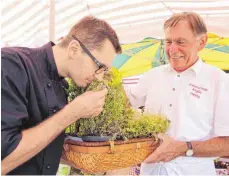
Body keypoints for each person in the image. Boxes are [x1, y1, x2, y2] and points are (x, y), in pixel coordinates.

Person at [1, 16, 121, 175]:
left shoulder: (63, 87)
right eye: (99, 66)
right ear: (74, 49)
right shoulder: (11, 64)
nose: (99, 76)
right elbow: (4, 156)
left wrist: (85, 162)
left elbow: (40, 151)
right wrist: (73, 112)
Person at [125, 12, 229, 175]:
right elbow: (125, 102)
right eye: (168, 41)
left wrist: (184, 148)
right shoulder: (152, 75)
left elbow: (226, 144)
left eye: (180, 42)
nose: (172, 49)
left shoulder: (219, 80)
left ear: (202, 42)